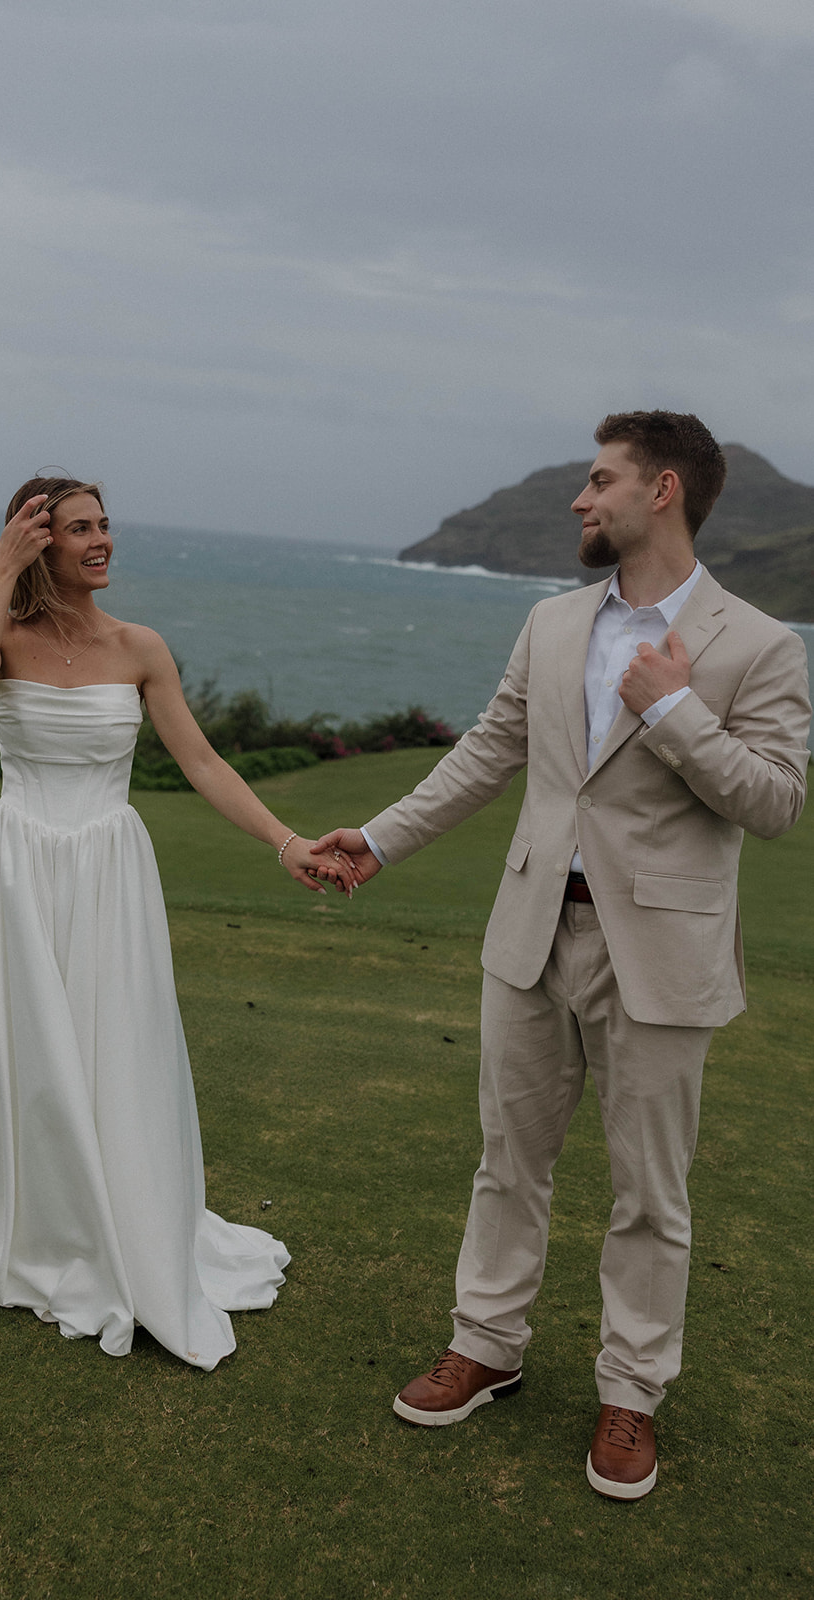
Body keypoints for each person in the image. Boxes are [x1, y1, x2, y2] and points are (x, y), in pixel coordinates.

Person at [313, 412, 810, 1497]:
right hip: (531, 930)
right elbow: (488, 751)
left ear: (661, 490)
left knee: (648, 1191)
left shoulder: (760, 642)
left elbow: (774, 803)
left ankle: (629, 1394)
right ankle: (484, 1345)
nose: (580, 501)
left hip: (663, 954)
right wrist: (382, 838)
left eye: (598, 481)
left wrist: (672, 708)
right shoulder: (548, 625)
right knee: (506, 1159)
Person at [0, 474, 354, 1372]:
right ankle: (32, 1226)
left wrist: (285, 840)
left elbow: (202, 761)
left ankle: (125, 1224)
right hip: (19, 864)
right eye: (77, 529)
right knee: (19, 1047)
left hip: (108, 868)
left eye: (104, 525)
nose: (100, 541)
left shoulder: (140, 647)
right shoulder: (8, 637)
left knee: (114, 1046)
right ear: (38, 541)